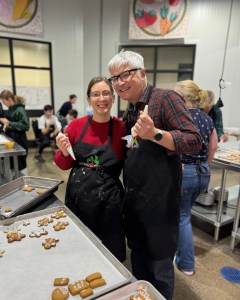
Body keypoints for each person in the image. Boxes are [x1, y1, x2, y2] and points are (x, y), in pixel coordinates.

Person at [108, 51, 202, 300]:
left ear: (142, 73)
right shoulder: (130, 109)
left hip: (161, 205)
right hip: (136, 201)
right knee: (139, 263)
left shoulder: (165, 98)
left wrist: (156, 134)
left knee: (160, 268)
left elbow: (194, 140)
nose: (119, 82)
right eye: (114, 78)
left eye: (125, 74)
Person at [54, 77, 126, 262]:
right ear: (88, 99)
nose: (101, 98)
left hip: (109, 202)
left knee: (110, 254)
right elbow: (63, 164)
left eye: (106, 93)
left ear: (113, 97)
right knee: (80, 252)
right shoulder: (76, 126)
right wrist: (63, 151)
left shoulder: (121, 128)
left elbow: (131, 160)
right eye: (96, 94)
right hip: (79, 199)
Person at [173, 80, 218, 276]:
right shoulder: (206, 118)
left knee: (182, 217)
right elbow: (213, 146)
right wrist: (205, 164)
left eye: (175, 95)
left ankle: (186, 264)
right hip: (203, 172)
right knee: (184, 214)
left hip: (186, 171)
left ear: (183, 97)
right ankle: (180, 251)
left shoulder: (180, 117)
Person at [0, 90, 29, 175]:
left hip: (20, 140)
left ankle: (25, 183)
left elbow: (25, 126)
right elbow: (10, 123)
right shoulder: (10, 109)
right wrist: (6, 124)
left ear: (9, 99)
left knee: (21, 165)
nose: (4, 104)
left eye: (4, 102)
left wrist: (9, 123)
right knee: (13, 165)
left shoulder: (20, 110)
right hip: (12, 140)